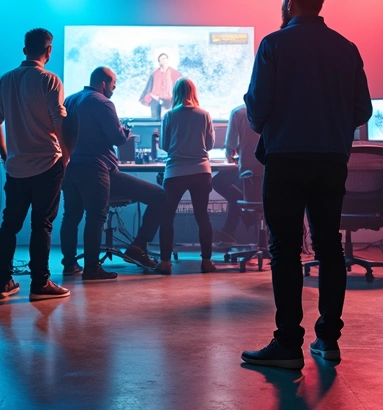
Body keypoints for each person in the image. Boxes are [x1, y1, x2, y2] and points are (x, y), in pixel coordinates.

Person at [241, 0, 372, 369]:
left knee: (284, 248)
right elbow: (363, 110)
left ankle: (288, 344)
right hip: (331, 161)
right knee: (328, 245)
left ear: (291, 1)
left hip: (285, 159)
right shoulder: (346, 48)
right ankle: (328, 340)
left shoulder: (273, 45)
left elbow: (258, 110)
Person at [0, 28, 73, 301]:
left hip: (16, 166)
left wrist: (4, 153)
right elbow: (59, 121)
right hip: (47, 162)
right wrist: (67, 155)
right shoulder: (49, 80)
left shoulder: (3, 80)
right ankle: (40, 283)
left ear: (24, 50)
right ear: (49, 51)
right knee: (42, 225)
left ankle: (2, 282)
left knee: (9, 225)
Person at [62, 67, 166, 276]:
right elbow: (118, 138)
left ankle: (70, 265)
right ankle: (116, 257)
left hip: (70, 168)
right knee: (158, 196)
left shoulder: (70, 100)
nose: (114, 88)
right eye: (113, 84)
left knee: (71, 216)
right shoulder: (102, 102)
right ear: (103, 83)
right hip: (98, 168)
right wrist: (126, 130)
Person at [157, 78, 217, 272]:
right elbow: (209, 145)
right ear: (194, 92)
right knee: (202, 216)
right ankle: (206, 261)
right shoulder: (204, 115)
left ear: (175, 93)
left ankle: (165, 262)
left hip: (175, 172)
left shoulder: (170, 115)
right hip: (201, 171)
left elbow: (165, 145)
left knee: (167, 217)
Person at [211, 104, 262, 245]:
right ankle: (231, 227)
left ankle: (231, 228)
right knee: (249, 192)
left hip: (247, 171)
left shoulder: (238, 112)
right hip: (270, 172)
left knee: (217, 181)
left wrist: (231, 156)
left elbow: (230, 147)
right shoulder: (277, 108)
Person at [139, 52, 182, 119]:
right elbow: (149, 88)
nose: (164, 60)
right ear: (159, 62)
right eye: (162, 59)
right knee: (155, 119)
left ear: (168, 60)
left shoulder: (175, 74)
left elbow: (179, 87)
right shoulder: (154, 74)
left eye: (165, 58)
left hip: (171, 100)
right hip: (156, 100)